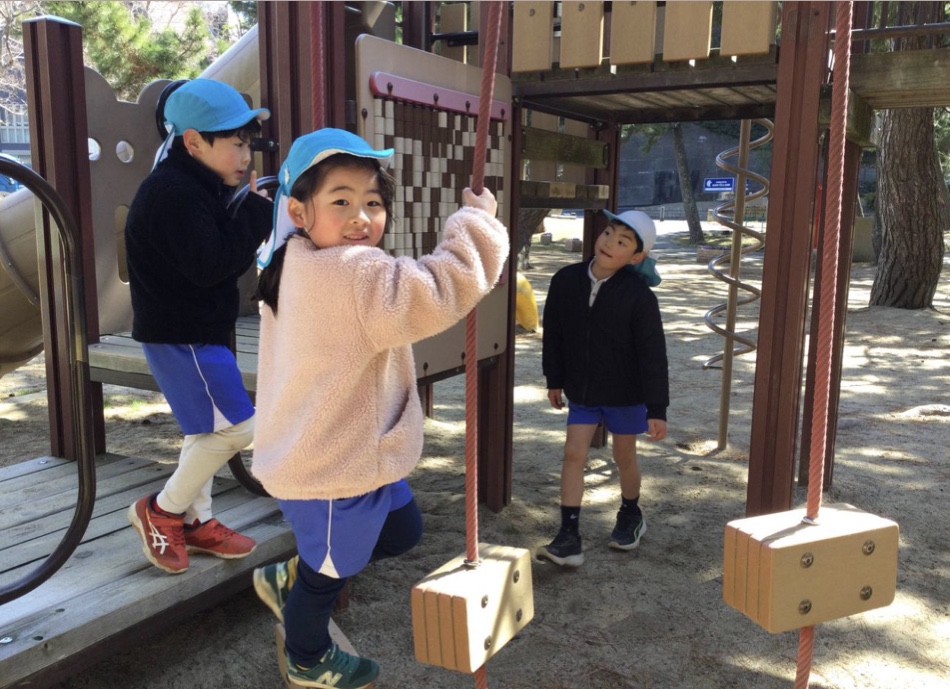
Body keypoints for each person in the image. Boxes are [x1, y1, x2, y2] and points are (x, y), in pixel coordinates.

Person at [250, 128, 509, 689]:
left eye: (372, 202)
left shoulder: (295, 259)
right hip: (331, 468)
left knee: (402, 531)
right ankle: (307, 657)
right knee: (327, 577)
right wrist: (477, 224)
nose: (360, 217)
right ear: (299, 211)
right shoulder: (350, 272)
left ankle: (292, 574)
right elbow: (440, 288)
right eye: (341, 201)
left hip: (348, 447)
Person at [125, 78, 273, 574]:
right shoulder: (173, 194)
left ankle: (197, 520)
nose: (245, 156)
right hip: (183, 336)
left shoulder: (192, 185)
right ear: (193, 142)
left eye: (248, 144)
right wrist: (256, 216)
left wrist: (245, 209)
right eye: (235, 143)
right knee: (240, 428)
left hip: (190, 333)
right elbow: (211, 265)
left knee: (204, 431)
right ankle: (161, 510)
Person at [537, 209, 669, 568]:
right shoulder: (565, 280)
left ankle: (630, 514)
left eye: (623, 241)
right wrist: (554, 379)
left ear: (636, 257)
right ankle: (569, 536)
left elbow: (653, 355)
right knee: (573, 453)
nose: (610, 243)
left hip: (626, 394)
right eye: (609, 233)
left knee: (624, 456)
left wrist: (657, 408)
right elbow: (554, 333)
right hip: (583, 390)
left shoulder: (639, 296)